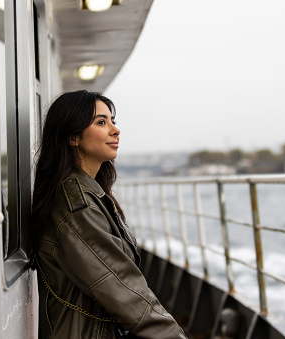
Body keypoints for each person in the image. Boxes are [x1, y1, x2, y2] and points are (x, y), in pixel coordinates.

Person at [30, 90, 187, 338]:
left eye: (112, 121)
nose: (115, 130)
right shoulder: (76, 206)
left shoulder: (86, 193)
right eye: (101, 122)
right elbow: (123, 288)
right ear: (73, 136)